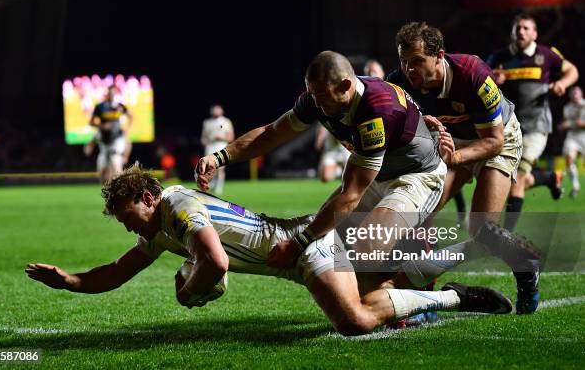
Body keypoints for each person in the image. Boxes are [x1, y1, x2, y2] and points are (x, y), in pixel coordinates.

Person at [25, 163, 514, 336]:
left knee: (355, 320)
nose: (130, 227)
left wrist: (189, 294)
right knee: (390, 281)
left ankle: (456, 298)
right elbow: (117, 270)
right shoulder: (158, 225)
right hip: (296, 247)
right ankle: (475, 250)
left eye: (129, 216)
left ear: (148, 198)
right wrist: (68, 281)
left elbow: (214, 261)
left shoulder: (176, 207)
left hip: (303, 248)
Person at [196, 50, 447, 274]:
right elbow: (272, 133)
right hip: (378, 174)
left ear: (346, 85)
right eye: (313, 94)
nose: (317, 103)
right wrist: (219, 157)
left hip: (415, 175)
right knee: (331, 239)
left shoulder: (376, 111)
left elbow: (350, 195)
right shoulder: (318, 99)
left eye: (322, 96)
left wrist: (297, 245)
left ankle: (423, 272)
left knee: (368, 243)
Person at [386, 22, 539, 314]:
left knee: (482, 231)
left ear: (439, 56)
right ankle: (425, 298)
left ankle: (524, 265)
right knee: (420, 215)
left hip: (498, 138)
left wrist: (455, 159)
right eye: (404, 62)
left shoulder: (473, 74)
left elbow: (493, 141)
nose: (409, 69)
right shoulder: (400, 82)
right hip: (451, 141)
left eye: (417, 61)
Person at [486, 14, 579, 229]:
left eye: (526, 28)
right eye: (518, 28)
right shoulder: (499, 57)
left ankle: (504, 235)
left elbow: (572, 71)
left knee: (516, 176)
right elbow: (480, 80)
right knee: (513, 177)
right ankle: (549, 178)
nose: (521, 32)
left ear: (534, 33)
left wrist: (563, 84)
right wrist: (492, 78)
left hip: (537, 127)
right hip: (508, 129)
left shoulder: (546, 55)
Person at [85, 85, 133, 182]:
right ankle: (107, 192)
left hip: (116, 138)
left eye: (114, 93)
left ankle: (120, 190)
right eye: (111, 92)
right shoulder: (100, 107)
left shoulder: (119, 106)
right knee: (102, 172)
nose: (112, 95)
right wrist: (102, 126)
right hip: (104, 141)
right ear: (107, 93)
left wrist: (128, 128)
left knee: (116, 163)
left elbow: (131, 116)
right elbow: (91, 122)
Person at [200, 104, 234, 195]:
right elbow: (204, 137)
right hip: (210, 146)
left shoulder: (226, 121)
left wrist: (221, 137)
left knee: (220, 168)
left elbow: (231, 137)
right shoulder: (207, 122)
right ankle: (211, 185)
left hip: (221, 145)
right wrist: (205, 142)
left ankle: (219, 187)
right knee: (209, 168)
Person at [559, 86, 585, 198]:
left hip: (583, 135)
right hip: (572, 136)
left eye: (577, 93)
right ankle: (575, 185)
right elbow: (567, 122)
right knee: (569, 159)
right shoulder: (567, 107)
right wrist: (564, 125)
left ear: (581, 94)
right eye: (573, 93)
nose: (575, 95)